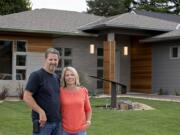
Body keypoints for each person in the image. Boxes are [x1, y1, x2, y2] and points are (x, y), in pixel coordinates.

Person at [23, 48, 62, 135]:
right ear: (45, 60)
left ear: (58, 61)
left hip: (57, 123)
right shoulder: (37, 75)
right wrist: (41, 111)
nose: (53, 62)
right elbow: (26, 96)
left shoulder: (56, 77)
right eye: (50, 59)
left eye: (55, 59)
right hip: (43, 123)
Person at [60, 66, 92, 135]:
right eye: (67, 75)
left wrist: (88, 121)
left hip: (81, 131)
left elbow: (88, 109)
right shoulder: (60, 92)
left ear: (76, 76)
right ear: (64, 78)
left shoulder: (83, 91)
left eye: (72, 75)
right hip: (64, 130)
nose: (69, 77)